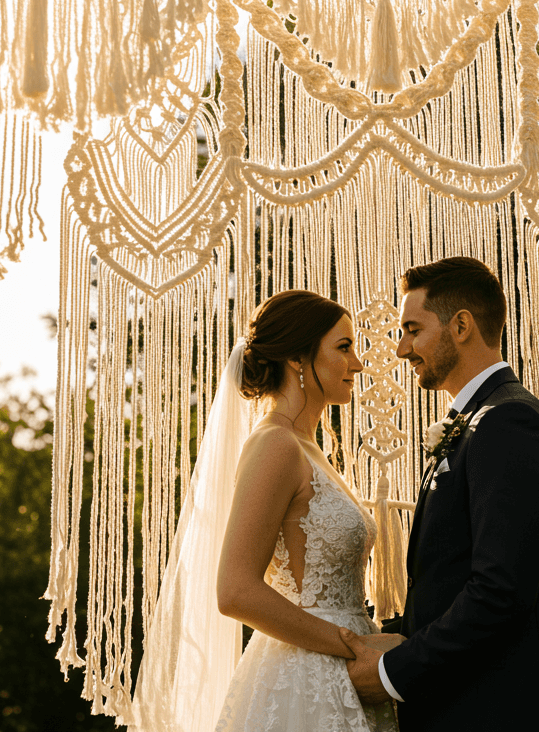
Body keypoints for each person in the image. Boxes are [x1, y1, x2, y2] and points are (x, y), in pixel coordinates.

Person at [130, 289, 399, 732]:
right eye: (344, 347)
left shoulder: (311, 449)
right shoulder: (275, 445)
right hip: (306, 675)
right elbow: (235, 590)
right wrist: (354, 645)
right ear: (298, 358)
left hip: (346, 670)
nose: (357, 364)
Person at [340, 257, 539, 732]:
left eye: (413, 328)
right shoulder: (479, 420)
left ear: (462, 325)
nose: (402, 347)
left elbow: (500, 592)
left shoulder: (510, 424)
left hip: (505, 709)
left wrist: (392, 673)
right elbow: (447, 586)